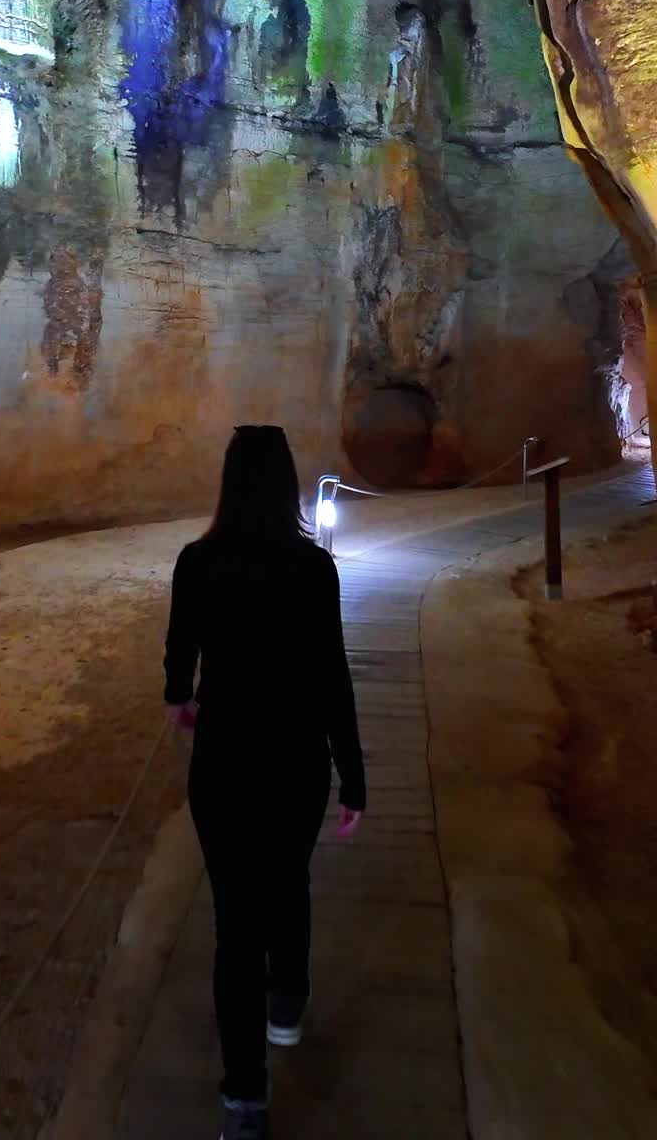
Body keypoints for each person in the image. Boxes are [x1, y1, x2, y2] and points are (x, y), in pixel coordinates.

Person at [164, 425, 367, 1140]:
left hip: (224, 763)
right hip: (296, 762)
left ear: (227, 482)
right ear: (288, 485)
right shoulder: (315, 570)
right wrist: (355, 778)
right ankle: (287, 1005)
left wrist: (185, 702)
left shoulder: (197, 562)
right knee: (289, 883)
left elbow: (177, 666)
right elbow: (331, 677)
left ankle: (244, 1099)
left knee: (234, 928)